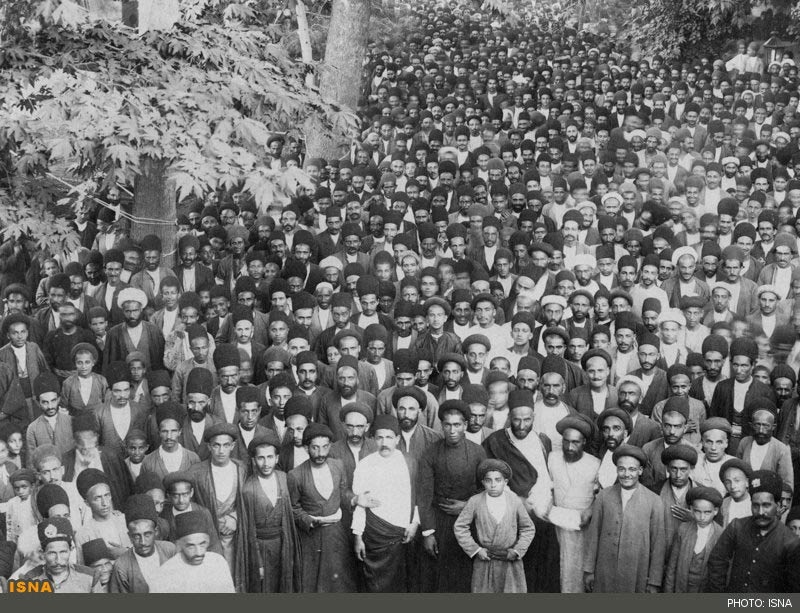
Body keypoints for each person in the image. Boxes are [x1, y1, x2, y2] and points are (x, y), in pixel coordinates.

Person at [417, 400, 486, 593]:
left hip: (468, 524)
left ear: (465, 425)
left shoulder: (477, 452)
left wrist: (467, 506)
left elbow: (485, 490)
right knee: (438, 578)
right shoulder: (431, 453)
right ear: (442, 426)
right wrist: (428, 533)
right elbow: (424, 494)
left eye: (457, 425)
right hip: (439, 524)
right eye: (447, 425)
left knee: (464, 577)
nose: (452, 430)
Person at [583, 444, 666, 593]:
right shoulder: (604, 496)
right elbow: (593, 534)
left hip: (636, 573)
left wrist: (654, 581)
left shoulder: (654, 501)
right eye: (622, 469)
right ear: (616, 470)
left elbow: (658, 544)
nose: (626, 474)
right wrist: (589, 570)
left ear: (640, 471)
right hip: (605, 571)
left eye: (632, 469)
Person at [287, 423, 358, 592]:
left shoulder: (338, 466)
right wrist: (309, 521)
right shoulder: (295, 475)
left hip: (336, 535)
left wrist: (355, 499)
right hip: (311, 539)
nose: (321, 453)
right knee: (313, 584)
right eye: (315, 448)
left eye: (325, 447)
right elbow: (293, 508)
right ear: (306, 448)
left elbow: (343, 493)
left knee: (340, 583)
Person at [706, 470, 800, 592]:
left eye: (766, 505)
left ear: (777, 505)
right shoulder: (737, 526)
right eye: (755, 505)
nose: (760, 512)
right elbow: (716, 560)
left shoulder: (790, 542)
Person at [454, 458, 535, 593]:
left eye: (498, 480)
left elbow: (528, 528)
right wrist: (476, 550)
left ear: (505, 482)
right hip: (485, 560)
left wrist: (517, 551)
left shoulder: (514, 500)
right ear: (483, 482)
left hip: (510, 561)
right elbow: (460, 526)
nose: (493, 485)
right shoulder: (475, 501)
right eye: (488, 480)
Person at [188, 422, 249, 592]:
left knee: (234, 580)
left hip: (236, 537)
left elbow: (247, 500)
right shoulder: (197, 472)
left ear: (233, 446)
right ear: (209, 446)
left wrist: (235, 517)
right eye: (216, 445)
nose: (221, 451)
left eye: (226, 445)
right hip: (208, 537)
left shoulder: (242, 469)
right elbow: (191, 505)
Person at [242, 432, 301, 593]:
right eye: (261, 458)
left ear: (277, 458)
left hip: (283, 544)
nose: (266, 463)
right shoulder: (248, 489)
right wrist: (258, 563)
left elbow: (290, 513)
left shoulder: (284, 478)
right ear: (254, 460)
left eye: (270, 457)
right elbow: (249, 531)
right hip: (261, 548)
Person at [547, 414, 600, 593]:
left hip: (582, 530)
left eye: (575, 442)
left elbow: (600, 497)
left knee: (577, 576)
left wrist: (590, 510)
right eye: (566, 441)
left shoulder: (594, 464)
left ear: (584, 442)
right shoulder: (552, 459)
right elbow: (546, 489)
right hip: (555, 525)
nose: (569, 447)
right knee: (556, 572)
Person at [149, 510, 236, 593]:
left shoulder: (218, 562)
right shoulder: (165, 574)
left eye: (202, 544)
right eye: (191, 546)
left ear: (208, 541)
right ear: (179, 545)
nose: (198, 552)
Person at [109, 494, 177, 592]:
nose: (143, 542)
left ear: (156, 531)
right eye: (136, 536)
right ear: (129, 536)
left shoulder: (170, 550)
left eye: (147, 534)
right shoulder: (121, 567)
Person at [663, 486, 724, 593]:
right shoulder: (683, 529)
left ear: (715, 511)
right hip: (682, 586)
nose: (702, 517)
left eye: (707, 512)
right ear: (691, 509)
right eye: (697, 512)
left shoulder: (720, 534)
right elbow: (672, 566)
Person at [23, 517, 94, 592]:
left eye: (63, 552)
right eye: (52, 553)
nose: (58, 560)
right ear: (42, 553)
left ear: (71, 549)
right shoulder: (29, 580)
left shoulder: (90, 577)